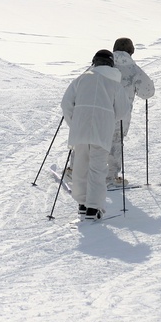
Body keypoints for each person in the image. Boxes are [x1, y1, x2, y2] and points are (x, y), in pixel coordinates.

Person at [61, 50, 131, 219]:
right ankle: (94, 208)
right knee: (97, 168)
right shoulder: (115, 83)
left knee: (81, 166)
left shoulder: (81, 79)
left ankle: (82, 204)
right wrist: (109, 118)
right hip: (102, 130)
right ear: (111, 64)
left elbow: (66, 104)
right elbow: (123, 110)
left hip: (80, 129)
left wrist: (75, 122)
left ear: (94, 62)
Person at [107, 37, 155, 187]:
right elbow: (148, 92)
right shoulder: (133, 70)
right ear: (131, 51)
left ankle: (76, 170)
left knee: (91, 139)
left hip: (96, 112)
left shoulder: (102, 64)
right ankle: (110, 178)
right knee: (115, 143)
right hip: (120, 116)